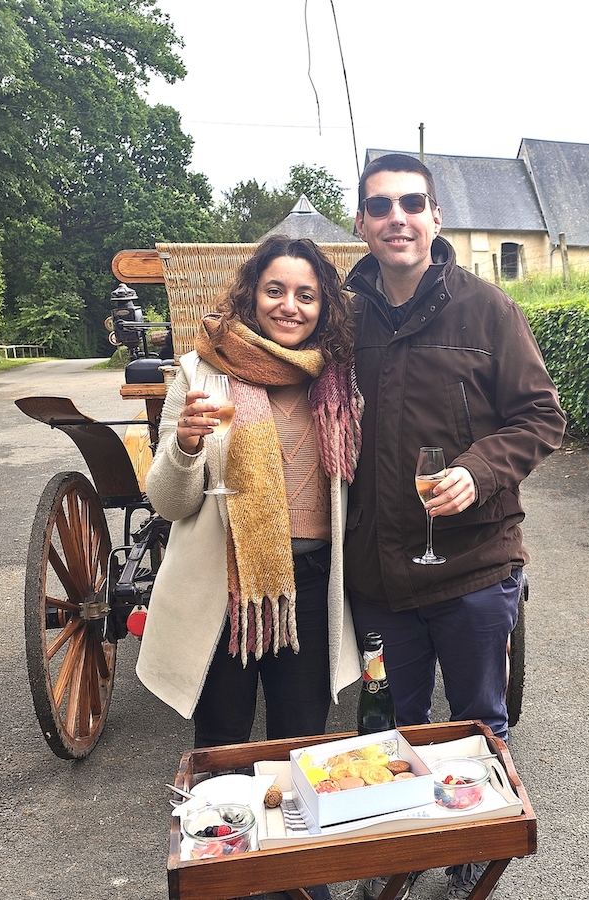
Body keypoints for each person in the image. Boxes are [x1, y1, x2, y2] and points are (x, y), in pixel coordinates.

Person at [344, 154, 566, 900]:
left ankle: (470, 844)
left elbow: (542, 416)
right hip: (378, 571)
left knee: (475, 725)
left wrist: (480, 467)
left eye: (413, 202)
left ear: (436, 218)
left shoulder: (489, 310)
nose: (397, 217)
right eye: (381, 206)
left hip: (474, 566)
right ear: (363, 224)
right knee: (393, 727)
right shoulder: (344, 321)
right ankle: (399, 846)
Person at [136, 236, 363, 754]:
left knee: (301, 743)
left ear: (324, 305)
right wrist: (187, 446)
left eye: (306, 295)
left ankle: (294, 837)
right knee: (222, 742)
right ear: (251, 296)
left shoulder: (341, 379)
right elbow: (169, 504)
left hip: (310, 584)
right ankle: (226, 834)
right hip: (224, 580)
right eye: (275, 290)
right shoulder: (203, 372)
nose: (289, 306)